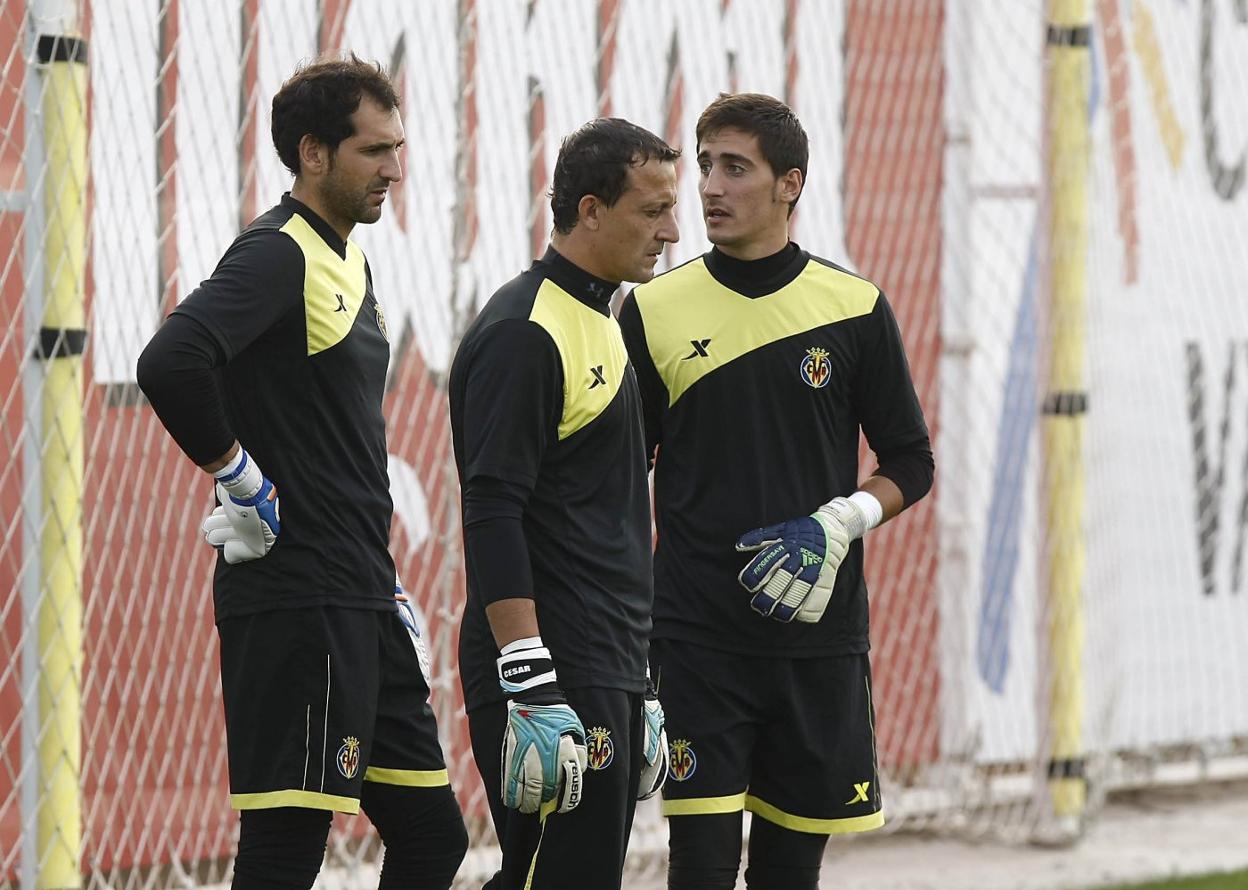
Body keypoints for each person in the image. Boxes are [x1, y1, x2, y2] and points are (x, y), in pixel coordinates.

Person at [136, 55, 468, 890]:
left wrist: (383, 581)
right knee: (285, 851)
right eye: (374, 150)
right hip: (298, 601)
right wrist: (238, 475)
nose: (395, 167)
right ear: (313, 154)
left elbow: (333, 440)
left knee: (433, 837)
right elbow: (172, 359)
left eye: (399, 147)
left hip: (359, 593)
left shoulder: (346, 256)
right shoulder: (281, 252)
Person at [618, 92, 934, 890]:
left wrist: (841, 519)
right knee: (701, 869)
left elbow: (910, 460)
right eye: (706, 167)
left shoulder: (855, 308)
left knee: (791, 873)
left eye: (736, 168)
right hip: (696, 640)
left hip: (817, 643)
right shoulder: (652, 309)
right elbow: (622, 474)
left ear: (790, 183)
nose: (711, 188)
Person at [448, 118, 680, 889]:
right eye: (652, 212)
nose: (672, 231)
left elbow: (603, 517)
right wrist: (529, 676)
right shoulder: (524, 331)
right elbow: (492, 509)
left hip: (604, 662)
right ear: (590, 210)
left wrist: (637, 677)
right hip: (553, 668)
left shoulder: (601, 319)